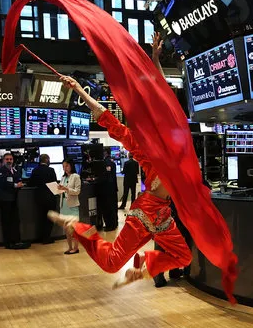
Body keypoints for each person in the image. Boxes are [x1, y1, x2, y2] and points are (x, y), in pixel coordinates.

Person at [49, 74, 192, 288]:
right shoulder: (148, 152)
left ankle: (145, 266)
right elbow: (111, 121)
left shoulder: (181, 151)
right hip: (143, 215)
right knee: (111, 264)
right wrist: (79, 89)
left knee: (184, 257)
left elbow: (165, 98)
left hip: (163, 216)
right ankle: (76, 226)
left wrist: (154, 59)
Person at [0, 153, 26, 249]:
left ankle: (17, 241)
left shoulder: (15, 170)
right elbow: (2, 183)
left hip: (13, 198)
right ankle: (8, 243)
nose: (9, 161)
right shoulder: (1, 171)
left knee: (15, 220)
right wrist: (15, 185)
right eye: (7, 159)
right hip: (4, 199)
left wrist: (19, 184)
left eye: (11, 159)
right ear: (3, 160)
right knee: (6, 221)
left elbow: (18, 179)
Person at [30, 153, 58, 244]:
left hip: (39, 197)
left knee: (41, 218)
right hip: (49, 198)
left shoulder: (35, 170)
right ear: (46, 160)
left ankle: (40, 237)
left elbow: (31, 183)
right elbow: (54, 184)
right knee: (49, 219)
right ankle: (46, 238)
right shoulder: (51, 170)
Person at [58, 158, 81, 254]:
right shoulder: (63, 178)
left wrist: (66, 189)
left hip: (72, 205)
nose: (65, 168)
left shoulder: (76, 176)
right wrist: (59, 190)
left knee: (74, 229)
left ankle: (76, 248)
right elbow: (62, 191)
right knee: (67, 229)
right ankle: (69, 247)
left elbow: (77, 191)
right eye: (63, 166)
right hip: (64, 205)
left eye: (66, 166)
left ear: (71, 165)